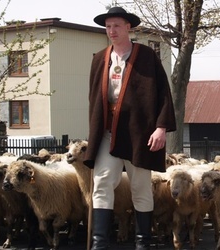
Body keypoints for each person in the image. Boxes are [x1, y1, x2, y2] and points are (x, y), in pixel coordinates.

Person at [83, 6, 176, 250]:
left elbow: (163, 93)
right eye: (108, 26)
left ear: (128, 27)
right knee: (102, 182)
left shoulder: (146, 56)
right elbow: (94, 99)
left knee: (140, 186)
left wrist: (161, 127)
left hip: (139, 133)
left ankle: (143, 244)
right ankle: (99, 244)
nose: (111, 31)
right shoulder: (99, 58)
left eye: (116, 26)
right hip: (107, 132)